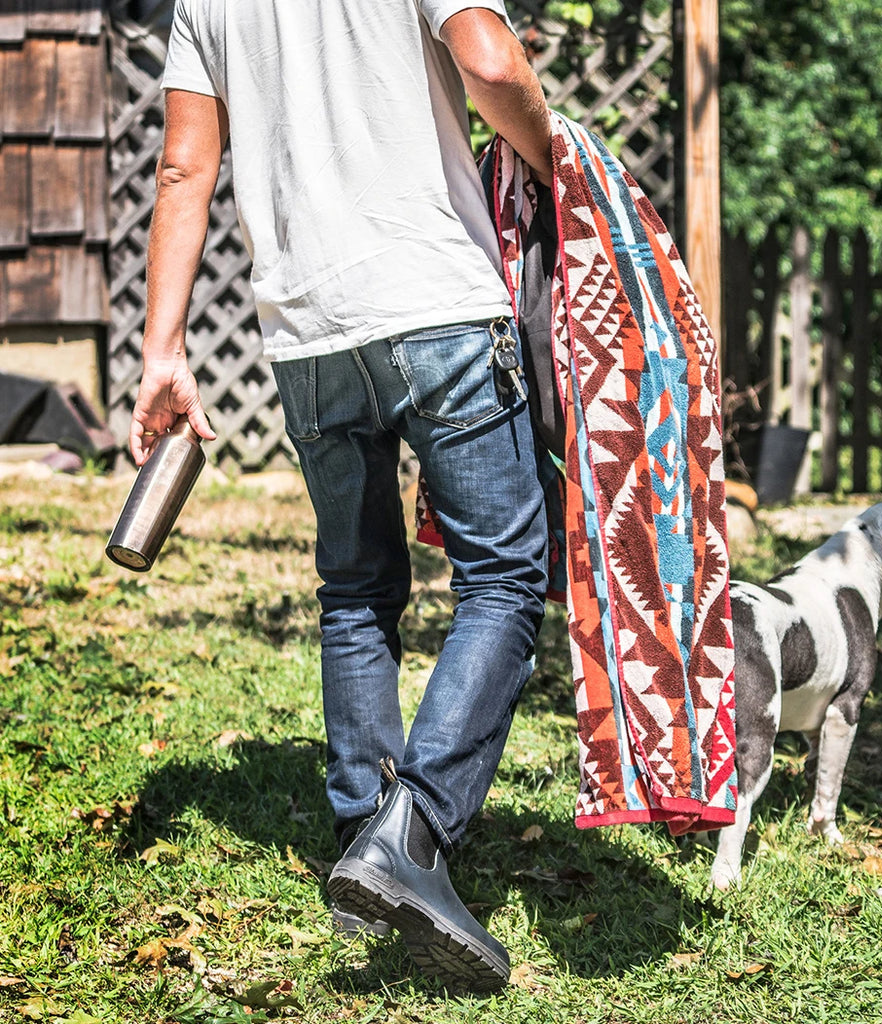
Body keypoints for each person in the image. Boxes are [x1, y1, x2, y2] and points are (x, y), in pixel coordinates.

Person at [129, 0, 553, 993]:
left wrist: (163, 350)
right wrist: (559, 171)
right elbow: (491, 62)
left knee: (356, 588)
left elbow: (184, 168)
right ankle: (414, 833)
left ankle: (365, 839)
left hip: (309, 335)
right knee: (502, 578)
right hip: (438, 304)